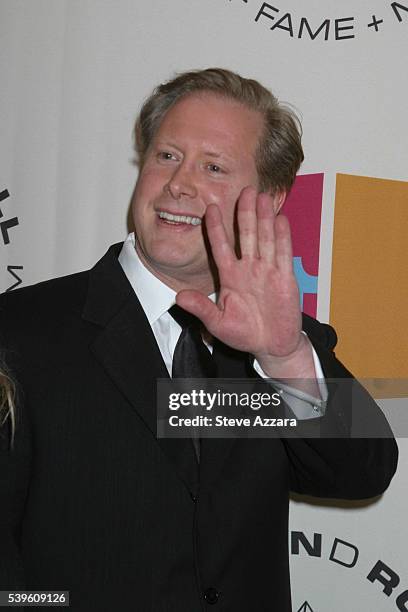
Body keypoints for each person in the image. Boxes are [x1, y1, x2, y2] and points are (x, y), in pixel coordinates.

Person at [0, 68, 398, 611]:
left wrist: (281, 356)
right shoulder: (21, 331)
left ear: (272, 198)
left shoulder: (278, 343)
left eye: (213, 167)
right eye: (167, 156)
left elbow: (362, 473)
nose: (179, 184)